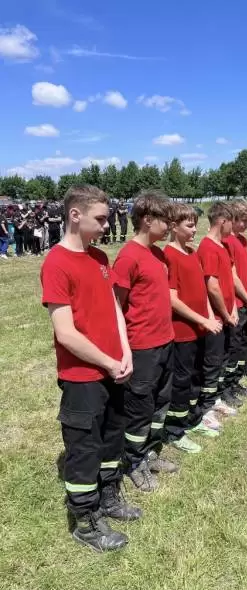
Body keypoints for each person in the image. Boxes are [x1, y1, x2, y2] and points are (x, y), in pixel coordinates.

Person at [40, 184, 141, 553]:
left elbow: (114, 307)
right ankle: (85, 520)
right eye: (100, 218)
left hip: (114, 368)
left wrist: (125, 350)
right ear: (75, 215)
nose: (107, 224)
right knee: (84, 449)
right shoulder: (56, 263)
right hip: (83, 376)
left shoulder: (99, 257)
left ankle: (109, 496)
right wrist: (109, 361)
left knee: (112, 438)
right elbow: (65, 333)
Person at [113, 190, 178, 493]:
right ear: (148, 219)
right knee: (139, 408)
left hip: (166, 341)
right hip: (142, 347)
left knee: (160, 403)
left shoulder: (158, 254)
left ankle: (149, 451)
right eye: (166, 221)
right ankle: (133, 461)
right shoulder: (128, 256)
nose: (170, 227)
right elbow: (116, 304)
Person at [164, 204, 222, 453]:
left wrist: (208, 317)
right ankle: (174, 431)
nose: (194, 230)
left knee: (197, 376)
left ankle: (193, 419)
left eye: (195, 225)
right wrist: (202, 319)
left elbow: (201, 290)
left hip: (200, 328)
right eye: (189, 225)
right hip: (182, 332)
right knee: (181, 382)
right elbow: (172, 299)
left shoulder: (192, 252)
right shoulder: (169, 255)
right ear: (173, 227)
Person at [197, 202, 240, 424]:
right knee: (212, 362)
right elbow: (212, 286)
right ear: (223, 221)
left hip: (226, 315)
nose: (233, 227)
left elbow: (228, 281)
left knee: (222, 358)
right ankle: (206, 407)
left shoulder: (222, 246)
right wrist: (225, 314)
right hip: (215, 317)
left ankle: (216, 399)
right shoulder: (207, 247)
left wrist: (233, 309)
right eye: (232, 222)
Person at [222, 200, 247, 399]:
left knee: (243, 343)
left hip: (246, 302)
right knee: (233, 346)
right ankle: (226, 387)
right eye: (242, 220)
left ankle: (236, 380)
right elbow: (232, 275)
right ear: (232, 218)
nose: (246, 225)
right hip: (235, 303)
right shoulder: (227, 241)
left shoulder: (243, 240)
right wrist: (246, 297)